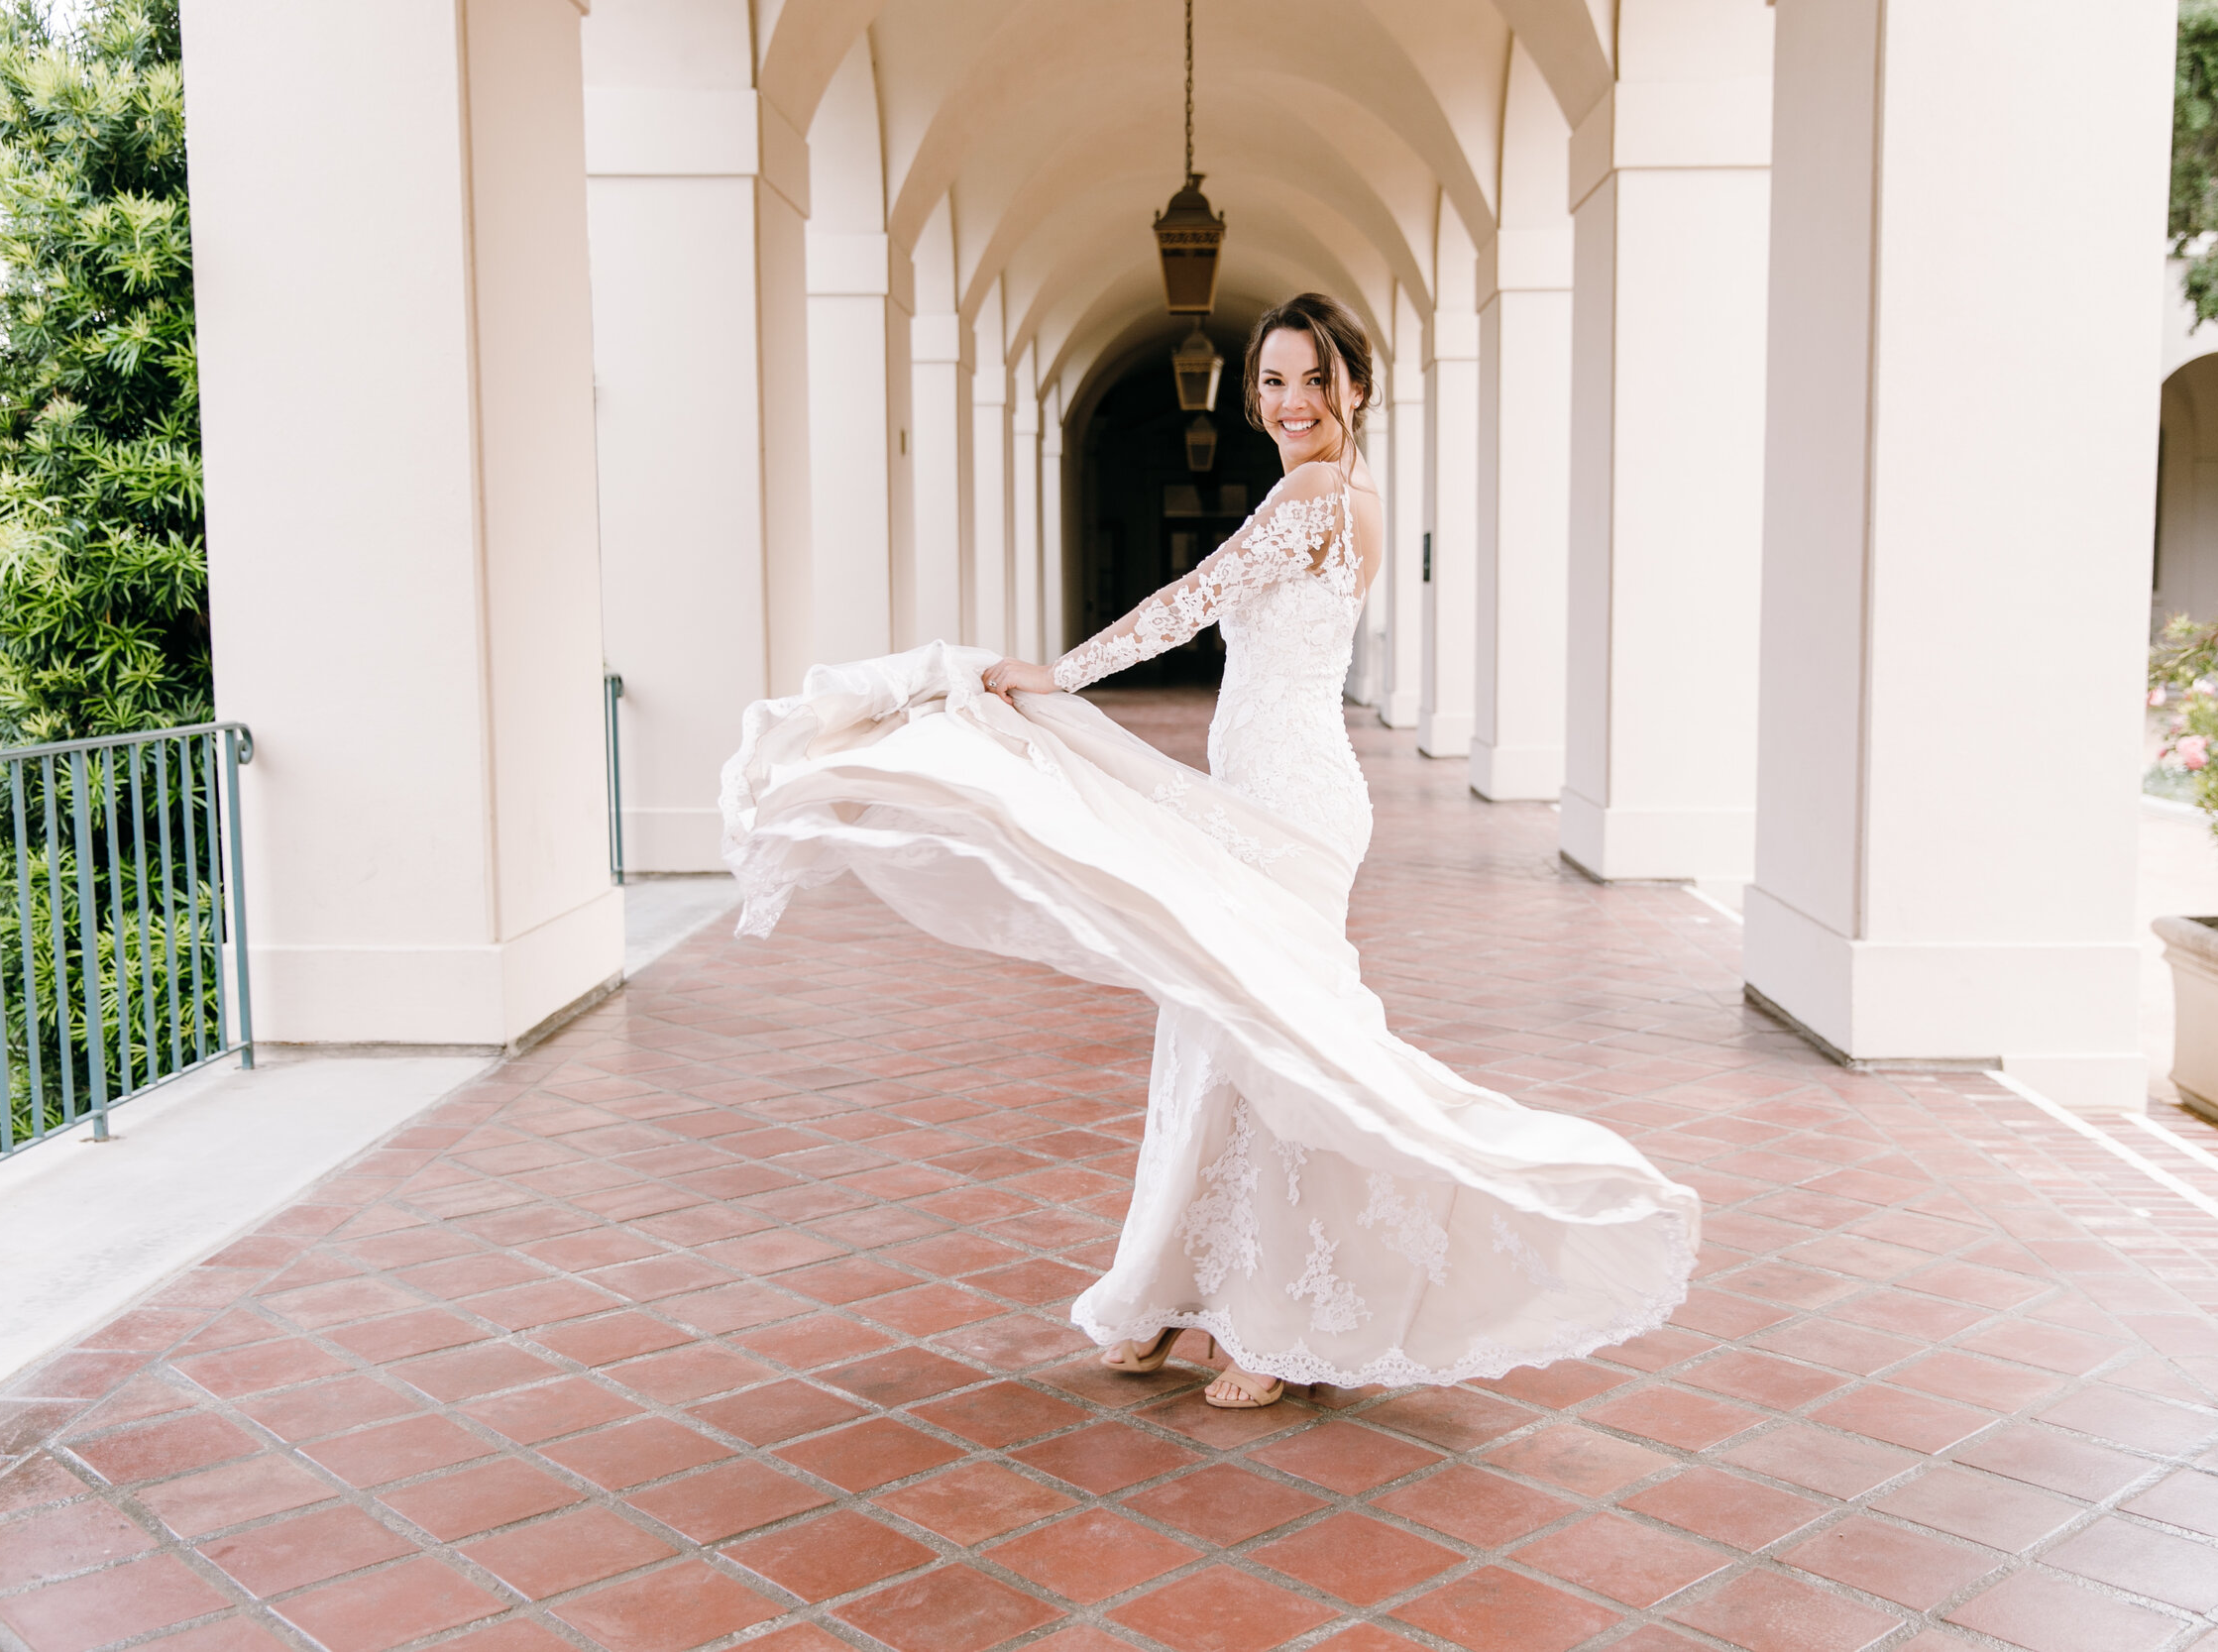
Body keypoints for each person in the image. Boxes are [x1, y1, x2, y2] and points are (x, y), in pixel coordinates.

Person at [722, 292, 1698, 1410]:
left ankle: (1276, 1325)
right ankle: (1178, 1291)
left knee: (1263, 1041)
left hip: (1291, 798)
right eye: (1273, 383)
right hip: (1266, 783)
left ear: (1357, 390)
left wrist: (1057, 674)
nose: (1291, 403)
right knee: (1208, 1028)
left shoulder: (1320, 491)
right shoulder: (1342, 489)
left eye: (1314, 380)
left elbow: (1193, 599)